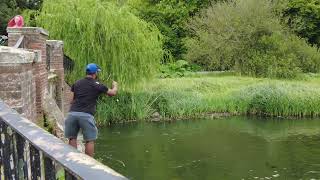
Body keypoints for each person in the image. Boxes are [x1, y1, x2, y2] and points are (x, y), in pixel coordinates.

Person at [65, 63, 118, 157]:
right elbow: (112, 93)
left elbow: (71, 100)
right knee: (89, 140)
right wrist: (115, 85)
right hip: (86, 115)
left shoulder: (77, 83)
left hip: (72, 114)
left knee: (72, 138)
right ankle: (88, 163)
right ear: (95, 73)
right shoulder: (97, 84)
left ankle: (72, 161)